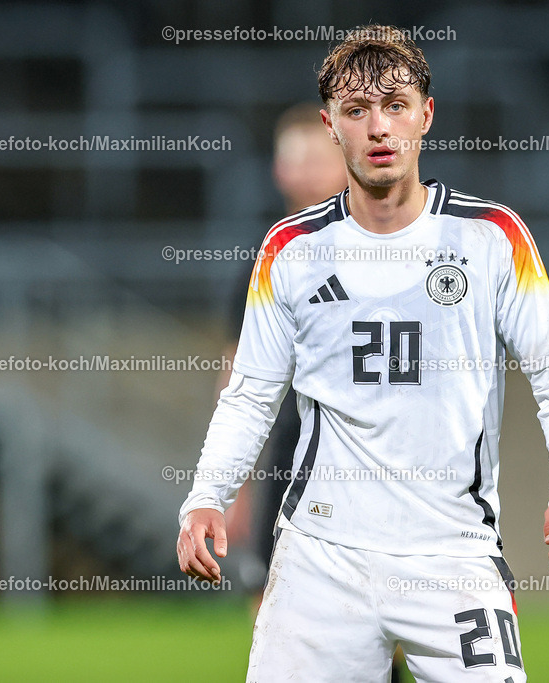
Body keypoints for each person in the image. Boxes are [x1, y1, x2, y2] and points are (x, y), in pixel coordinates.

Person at [178, 25, 549, 682]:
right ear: (331, 127)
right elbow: (250, 393)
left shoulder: (491, 238)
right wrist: (207, 493)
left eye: (395, 105)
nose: (378, 127)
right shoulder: (288, 250)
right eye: (356, 110)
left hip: (452, 555)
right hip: (320, 558)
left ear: (425, 115)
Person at [217, 103, 348, 588]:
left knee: (388, 608)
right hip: (293, 452)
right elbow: (237, 375)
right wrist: (234, 482)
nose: (310, 172)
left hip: (376, 453)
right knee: (273, 590)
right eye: (299, 159)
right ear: (278, 170)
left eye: (321, 158)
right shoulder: (266, 262)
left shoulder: (393, 248)